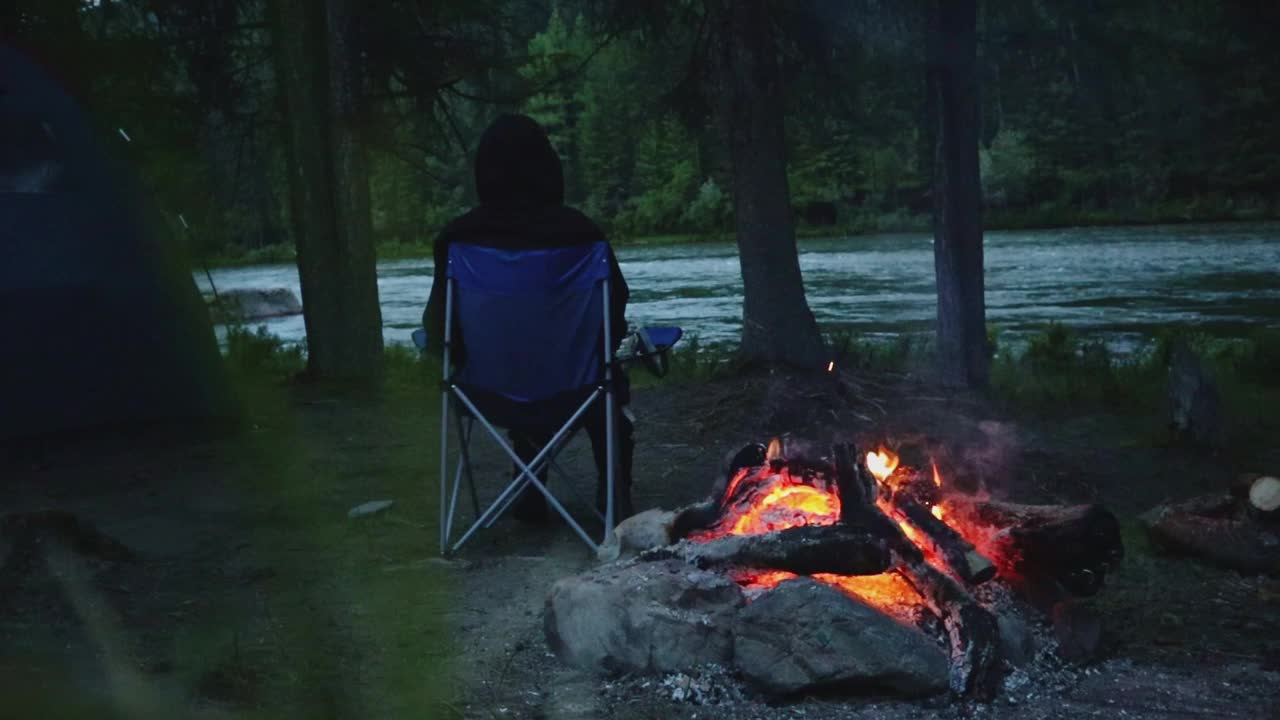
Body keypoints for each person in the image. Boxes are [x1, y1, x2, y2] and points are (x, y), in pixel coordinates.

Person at [422, 113, 635, 524]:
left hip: (486, 393)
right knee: (605, 377)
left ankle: (529, 489)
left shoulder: (457, 240)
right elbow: (615, 312)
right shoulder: (583, 236)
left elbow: (438, 327)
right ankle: (614, 496)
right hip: (575, 391)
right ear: (548, 168)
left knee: (527, 372)